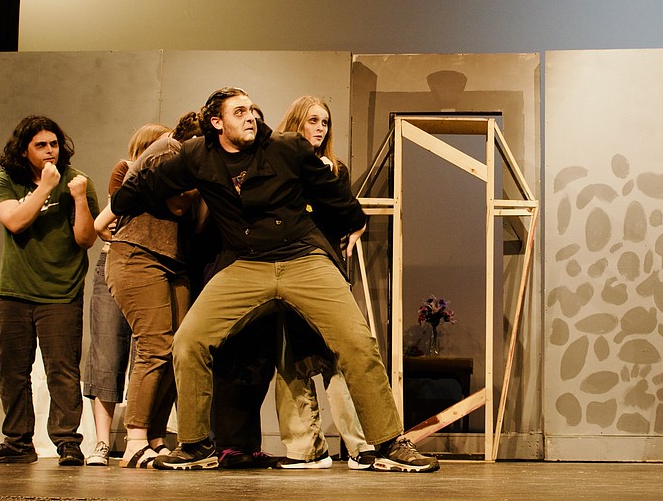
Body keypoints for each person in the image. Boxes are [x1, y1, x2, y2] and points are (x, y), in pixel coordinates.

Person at [110, 87, 438, 472]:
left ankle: (388, 443)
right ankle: (196, 444)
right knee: (188, 341)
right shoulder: (198, 156)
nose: (250, 117)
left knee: (356, 342)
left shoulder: (286, 147)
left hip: (302, 256)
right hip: (246, 265)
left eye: (251, 109)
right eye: (239, 112)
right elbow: (143, 185)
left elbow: (333, 194)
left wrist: (353, 221)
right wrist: (121, 203)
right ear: (216, 123)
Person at [212, 96, 375, 470]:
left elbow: (345, 211)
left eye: (325, 123)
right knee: (289, 357)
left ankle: (360, 445)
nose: (320, 128)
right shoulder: (275, 162)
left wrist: (355, 226)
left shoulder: (336, 168)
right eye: (313, 121)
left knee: (339, 354)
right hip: (279, 267)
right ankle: (305, 448)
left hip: (321, 269)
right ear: (297, 124)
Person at [0, 115, 100, 465]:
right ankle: (18, 442)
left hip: (60, 293)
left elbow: (85, 238)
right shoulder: (7, 181)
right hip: (14, 292)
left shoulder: (78, 182)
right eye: (41, 146)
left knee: (63, 370)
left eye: (54, 144)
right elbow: (15, 222)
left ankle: (67, 443)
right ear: (24, 150)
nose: (50, 152)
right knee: (12, 370)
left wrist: (77, 199)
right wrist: (44, 188)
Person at [94, 111, 205, 467]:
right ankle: (135, 438)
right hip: (138, 255)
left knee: (180, 350)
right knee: (154, 345)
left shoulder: (191, 160)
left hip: (173, 262)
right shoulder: (167, 149)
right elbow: (175, 203)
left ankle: (156, 436)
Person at [82, 122, 169, 466]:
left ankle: (147, 436)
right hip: (115, 266)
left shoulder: (170, 181)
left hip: (151, 268)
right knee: (107, 351)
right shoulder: (126, 171)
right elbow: (107, 223)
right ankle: (103, 442)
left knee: (151, 352)